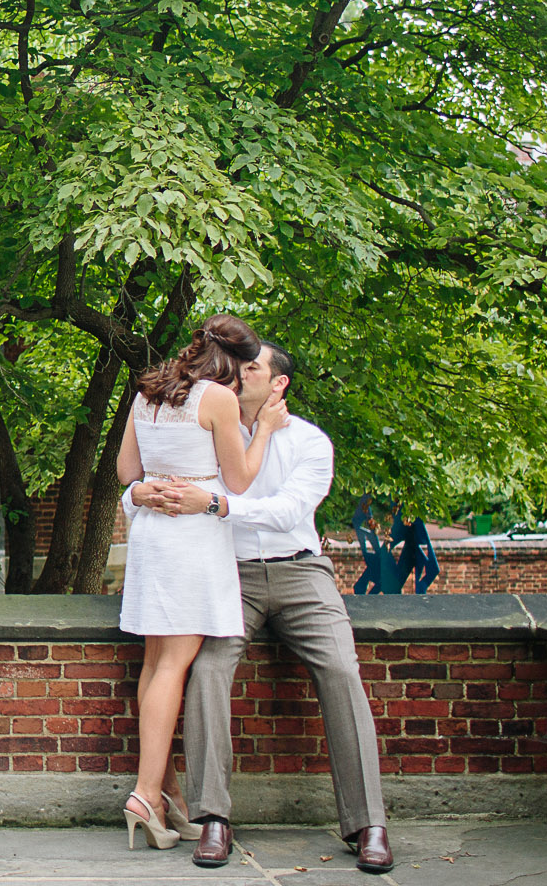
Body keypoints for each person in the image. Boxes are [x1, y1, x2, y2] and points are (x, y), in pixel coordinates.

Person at [131, 341, 393, 875]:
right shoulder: (210, 425)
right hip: (234, 576)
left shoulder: (309, 442)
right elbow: (155, 476)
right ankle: (213, 819)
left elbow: (288, 510)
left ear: (278, 384)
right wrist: (145, 495)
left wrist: (217, 504)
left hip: (302, 573)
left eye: (252, 367)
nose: (237, 372)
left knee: (342, 670)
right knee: (205, 670)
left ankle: (369, 825)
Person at [114, 313, 289, 851]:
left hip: (152, 536)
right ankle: (145, 793)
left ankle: (165, 793)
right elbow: (238, 481)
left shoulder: (147, 390)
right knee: (174, 667)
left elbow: (127, 470)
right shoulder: (217, 399)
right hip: (191, 537)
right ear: (235, 363)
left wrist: (148, 492)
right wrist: (262, 431)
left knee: (153, 665)